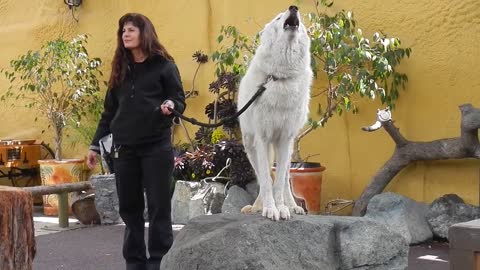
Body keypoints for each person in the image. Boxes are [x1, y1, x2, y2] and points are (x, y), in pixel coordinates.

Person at [86, 13, 186, 270]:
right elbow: (109, 112)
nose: (125, 35)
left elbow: (178, 99)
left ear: (144, 33)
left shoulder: (164, 65)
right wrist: (95, 145)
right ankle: (135, 263)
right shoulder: (120, 69)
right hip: (124, 150)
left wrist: (170, 104)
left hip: (156, 147)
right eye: (123, 31)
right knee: (130, 211)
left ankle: (159, 262)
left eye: (130, 30)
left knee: (158, 208)